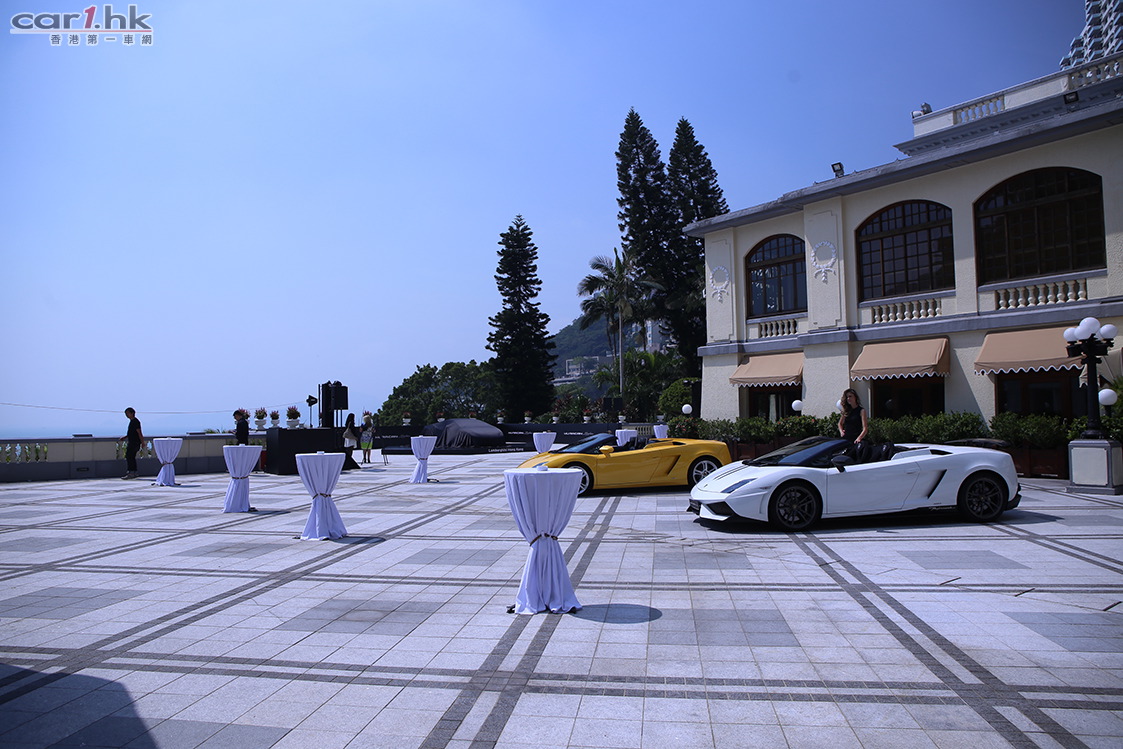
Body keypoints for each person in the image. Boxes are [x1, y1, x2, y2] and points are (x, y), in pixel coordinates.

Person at [118, 407, 145, 479]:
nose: (126, 415)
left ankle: (131, 472)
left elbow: (139, 432)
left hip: (134, 442)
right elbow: (131, 433)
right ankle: (134, 472)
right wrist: (125, 437)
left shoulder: (135, 422)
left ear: (132, 413)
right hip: (132, 441)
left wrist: (142, 442)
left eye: (128, 413)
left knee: (129, 457)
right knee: (131, 457)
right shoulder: (132, 421)